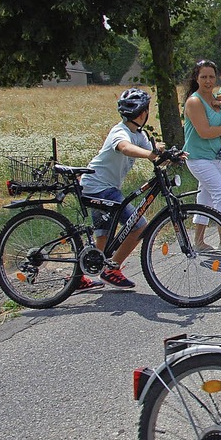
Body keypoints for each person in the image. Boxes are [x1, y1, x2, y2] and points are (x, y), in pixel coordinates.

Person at [80, 88, 163, 290]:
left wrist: (166, 152)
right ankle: (112, 269)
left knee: (103, 235)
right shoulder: (121, 131)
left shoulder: (138, 133)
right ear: (143, 113)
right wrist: (150, 155)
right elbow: (125, 148)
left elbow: (151, 148)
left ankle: (79, 277)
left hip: (102, 186)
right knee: (139, 226)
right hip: (98, 187)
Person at [182, 59, 221, 249]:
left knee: (205, 198)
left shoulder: (216, 99)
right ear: (196, 78)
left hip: (216, 156)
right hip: (198, 158)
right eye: (203, 77)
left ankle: (198, 242)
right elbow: (204, 132)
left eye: (211, 77)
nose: (208, 81)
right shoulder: (194, 101)